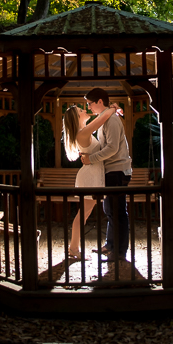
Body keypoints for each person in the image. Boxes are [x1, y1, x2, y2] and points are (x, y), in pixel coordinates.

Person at [81, 87, 132, 260]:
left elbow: (112, 148)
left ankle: (119, 252)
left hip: (118, 170)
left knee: (118, 211)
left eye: (90, 104)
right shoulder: (105, 119)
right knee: (109, 209)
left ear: (100, 102)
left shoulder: (112, 121)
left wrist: (91, 159)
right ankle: (110, 245)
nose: (89, 108)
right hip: (111, 171)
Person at [61, 102, 117, 258]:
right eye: (81, 109)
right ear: (77, 117)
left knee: (84, 214)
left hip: (93, 173)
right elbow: (103, 117)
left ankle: (73, 247)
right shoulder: (83, 133)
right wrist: (113, 108)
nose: (85, 110)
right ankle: (73, 248)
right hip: (90, 176)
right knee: (83, 214)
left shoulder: (83, 132)